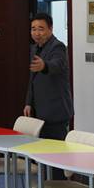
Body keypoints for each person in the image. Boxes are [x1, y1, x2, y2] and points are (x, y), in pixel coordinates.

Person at [24, 12, 74, 140]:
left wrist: (44, 66)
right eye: (33, 29)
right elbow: (32, 79)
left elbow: (56, 65)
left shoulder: (58, 46)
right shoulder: (34, 48)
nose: (36, 33)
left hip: (56, 111)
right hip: (39, 110)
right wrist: (28, 103)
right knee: (39, 147)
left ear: (50, 29)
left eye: (41, 29)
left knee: (55, 149)